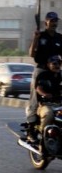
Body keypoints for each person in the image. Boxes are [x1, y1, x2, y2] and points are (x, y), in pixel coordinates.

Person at [26, 11, 62, 141]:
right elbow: (31, 54)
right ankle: (31, 129)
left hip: (55, 70)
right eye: (51, 21)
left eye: (55, 21)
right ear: (46, 22)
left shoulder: (59, 37)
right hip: (41, 70)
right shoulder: (40, 36)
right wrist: (35, 38)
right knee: (35, 99)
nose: (54, 23)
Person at [34, 55, 62, 137]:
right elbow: (38, 88)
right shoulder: (43, 75)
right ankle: (42, 133)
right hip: (46, 105)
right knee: (49, 114)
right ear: (48, 65)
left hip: (59, 105)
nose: (57, 65)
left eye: (59, 63)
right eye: (54, 63)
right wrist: (45, 94)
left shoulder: (60, 76)